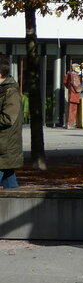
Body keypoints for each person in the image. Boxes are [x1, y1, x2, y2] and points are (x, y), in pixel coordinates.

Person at [0, 56, 23, 189]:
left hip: (5, 147)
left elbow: (8, 118)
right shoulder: (3, 91)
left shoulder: (10, 92)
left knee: (9, 178)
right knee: (10, 184)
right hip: (4, 148)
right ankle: (16, 208)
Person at [64, 63, 83, 129]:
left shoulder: (69, 75)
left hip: (71, 94)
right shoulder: (74, 76)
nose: (79, 69)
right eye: (78, 67)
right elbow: (78, 88)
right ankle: (70, 124)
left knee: (70, 110)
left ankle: (69, 124)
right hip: (74, 95)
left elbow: (65, 83)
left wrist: (70, 88)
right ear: (74, 68)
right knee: (73, 110)